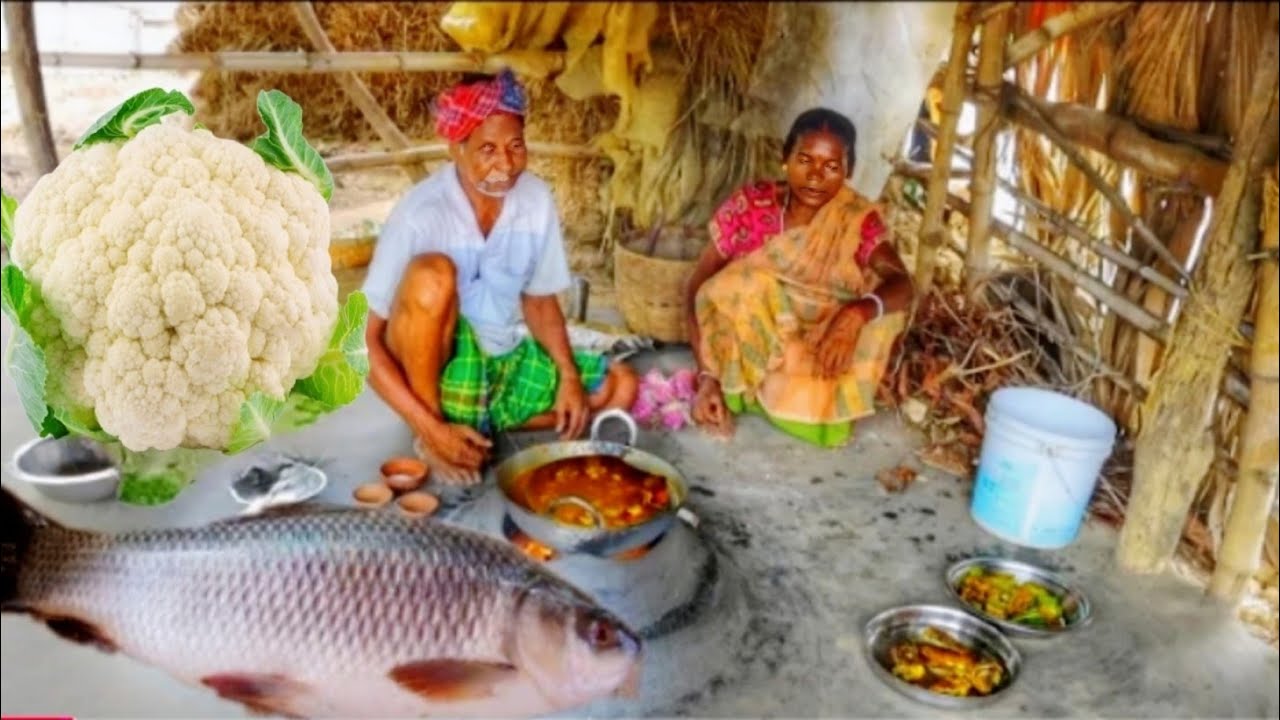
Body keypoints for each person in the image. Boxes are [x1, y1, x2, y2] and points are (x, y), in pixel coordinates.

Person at [363, 70, 638, 485]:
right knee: (433, 274)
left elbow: (540, 300)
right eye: (487, 149)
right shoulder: (420, 214)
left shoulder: (535, 200)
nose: (505, 165)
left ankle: (477, 423)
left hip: (499, 356)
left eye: (515, 146)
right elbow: (362, 343)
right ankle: (440, 431)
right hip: (433, 366)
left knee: (620, 385)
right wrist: (430, 428)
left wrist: (567, 376)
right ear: (456, 148)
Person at [685, 108, 914, 446]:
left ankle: (804, 401)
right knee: (738, 284)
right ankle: (740, 387)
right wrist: (706, 376)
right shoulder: (752, 207)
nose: (815, 176)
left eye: (832, 166)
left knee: (881, 315)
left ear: (848, 171)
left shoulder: (855, 220)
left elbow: (904, 284)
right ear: (784, 158)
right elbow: (698, 285)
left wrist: (856, 313)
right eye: (805, 159)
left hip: (819, 347)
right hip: (752, 345)